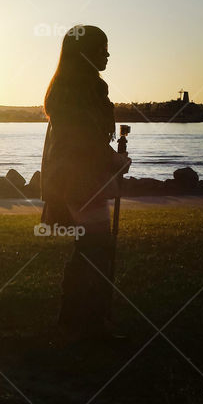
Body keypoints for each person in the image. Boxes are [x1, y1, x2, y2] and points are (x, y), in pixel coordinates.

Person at [40, 25, 131, 340]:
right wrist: (115, 160)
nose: (108, 53)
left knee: (90, 247)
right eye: (103, 47)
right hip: (81, 178)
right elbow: (85, 139)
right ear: (86, 52)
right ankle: (86, 322)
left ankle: (77, 319)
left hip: (76, 177)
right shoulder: (84, 89)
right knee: (95, 247)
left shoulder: (68, 87)